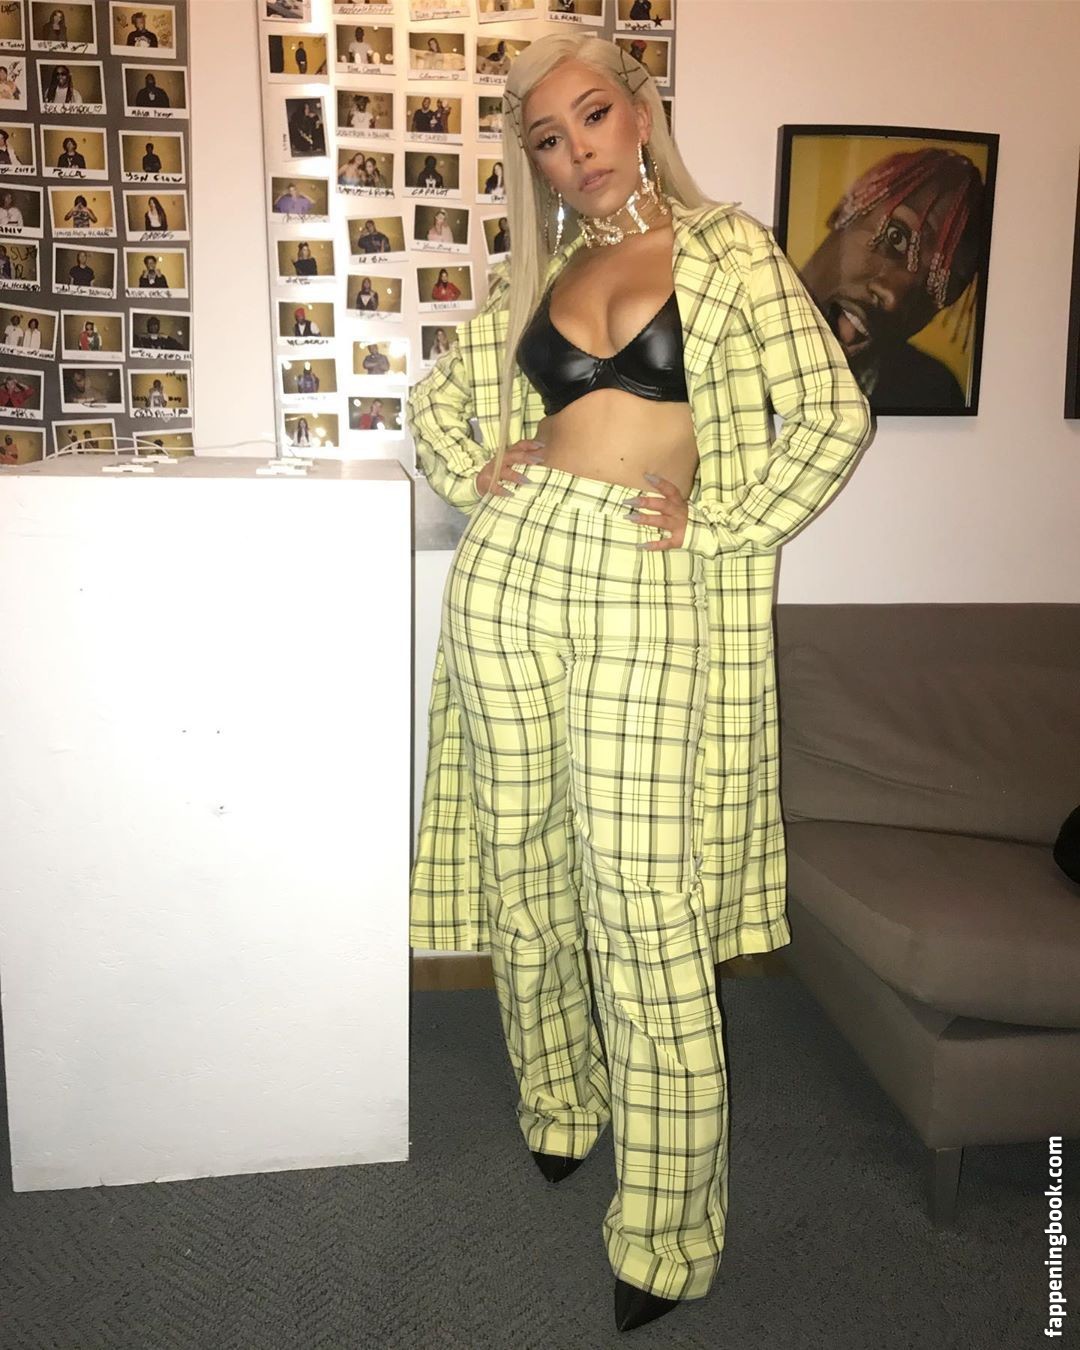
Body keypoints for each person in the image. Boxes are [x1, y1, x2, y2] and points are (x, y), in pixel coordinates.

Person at [406, 33, 872, 1335]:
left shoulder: (728, 251)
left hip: (642, 577)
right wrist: (480, 466)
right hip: (510, 571)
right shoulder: (544, 269)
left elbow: (831, 416)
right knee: (524, 860)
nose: (578, 151)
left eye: (594, 115)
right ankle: (561, 1101)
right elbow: (438, 405)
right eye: (548, 139)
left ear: (642, 106)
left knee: (644, 908)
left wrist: (719, 522)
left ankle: (665, 1232)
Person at [796, 146, 986, 411]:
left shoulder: (933, 394)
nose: (894, 298)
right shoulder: (738, 333)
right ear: (843, 211)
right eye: (896, 238)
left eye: (938, 286)